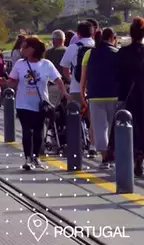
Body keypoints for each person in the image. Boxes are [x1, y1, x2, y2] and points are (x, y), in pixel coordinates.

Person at [0, 36, 70, 170]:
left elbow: (58, 80)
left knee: (38, 131)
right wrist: (5, 82)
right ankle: (28, 158)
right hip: (23, 103)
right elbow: (13, 82)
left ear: (32, 49)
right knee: (27, 130)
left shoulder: (46, 64)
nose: (22, 50)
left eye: (25, 47)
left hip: (40, 103)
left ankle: (36, 157)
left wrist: (65, 93)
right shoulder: (20, 64)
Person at [80, 28, 118, 168]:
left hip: (95, 95)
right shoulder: (117, 53)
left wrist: (82, 93)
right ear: (112, 38)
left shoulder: (89, 53)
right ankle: (112, 156)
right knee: (112, 128)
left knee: (100, 128)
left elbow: (84, 76)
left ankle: (105, 158)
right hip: (114, 95)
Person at [60, 21, 96, 157]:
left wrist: (71, 80)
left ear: (78, 34)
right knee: (93, 119)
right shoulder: (97, 46)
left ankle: (76, 146)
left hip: (76, 88)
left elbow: (64, 68)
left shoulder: (73, 47)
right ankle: (93, 146)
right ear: (93, 33)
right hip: (93, 88)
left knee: (73, 116)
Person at [113, 17, 144, 177]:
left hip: (126, 95)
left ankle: (132, 155)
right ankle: (141, 154)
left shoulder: (123, 53)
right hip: (142, 94)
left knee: (127, 127)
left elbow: (116, 75)